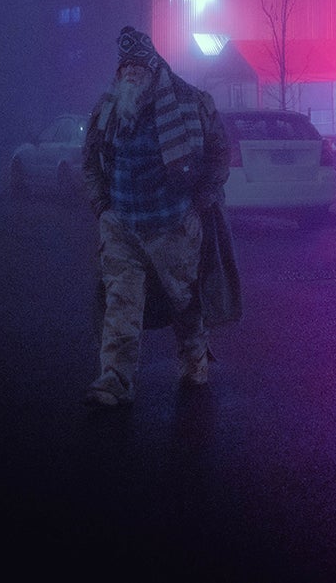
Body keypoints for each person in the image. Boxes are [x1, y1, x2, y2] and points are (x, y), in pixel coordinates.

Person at [80, 25, 232, 408]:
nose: (130, 72)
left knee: (184, 300)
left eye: (137, 65)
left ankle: (194, 360)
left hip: (173, 225)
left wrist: (203, 197)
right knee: (121, 303)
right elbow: (91, 162)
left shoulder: (191, 103)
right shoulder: (107, 109)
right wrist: (102, 206)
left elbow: (219, 152)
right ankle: (114, 381)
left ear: (153, 67)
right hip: (122, 227)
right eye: (124, 67)